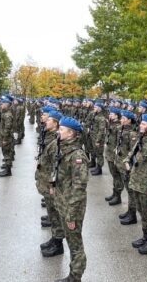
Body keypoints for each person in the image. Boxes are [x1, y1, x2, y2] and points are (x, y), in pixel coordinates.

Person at [51, 117, 90, 282]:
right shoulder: (64, 149)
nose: (58, 131)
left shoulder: (77, 155)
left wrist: (71, 214)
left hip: (72, 206)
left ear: (71, 133)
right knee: (70, 240)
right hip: (63, 202)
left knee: (75, 244)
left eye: (62, 129)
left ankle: (75, 276)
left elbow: (79, 188)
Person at [123, 114, 147, 255]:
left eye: (144, 124)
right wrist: (127, 161)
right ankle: (146, 236)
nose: (141, 125)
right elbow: (132, 154)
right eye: (141, 123)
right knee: (142, 212)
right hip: (136, 184)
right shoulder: (142, 140)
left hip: (146, 186)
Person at [37, 109, 65, 257]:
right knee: (51, 212)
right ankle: (55, 238)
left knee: (55, 213)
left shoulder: (56, 141)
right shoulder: (48, 134)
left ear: (55, 123)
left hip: (51, 182)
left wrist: (53, 184)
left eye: (48, 119)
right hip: (46, 179)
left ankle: (58, 243)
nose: (44, 120)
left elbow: (57, 166)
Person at [0, 98, 15, 177]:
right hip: (4, 136)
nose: (1, 105)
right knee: (5, 153)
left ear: (6, 105)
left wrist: (5, 139)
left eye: (2, 104)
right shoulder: (5, 113)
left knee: (7, 153)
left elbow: (7, 128)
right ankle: (7, 168)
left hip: (7, 137)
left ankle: (8, 171)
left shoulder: (8, 115)